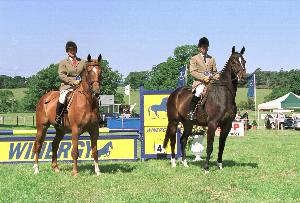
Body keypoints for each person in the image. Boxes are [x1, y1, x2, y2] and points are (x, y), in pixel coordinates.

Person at [54, 41, 87, 126]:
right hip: (67, 86)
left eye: (73, 50)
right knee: (62, 97)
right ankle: (58, 117)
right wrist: (72, 82)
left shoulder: (83, 62)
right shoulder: (63, 62)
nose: (72, 52)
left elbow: (86, 73)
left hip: (81, 86)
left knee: (92, 96)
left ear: (76, 50)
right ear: (67, 51)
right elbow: (61, 75)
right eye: (70, 50)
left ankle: (97, 116)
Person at [188, 37, 219, 120]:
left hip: (211, 81)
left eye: (206, 46)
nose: (205, 48)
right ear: (199, 48)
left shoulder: (211, 59)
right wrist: (203, 78)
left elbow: (215, 71)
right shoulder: (194, 58)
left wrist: (218, 76)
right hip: (199, 82)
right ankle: (191, 112)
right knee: (199, 91)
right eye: (203, 47)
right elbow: (193, 72)